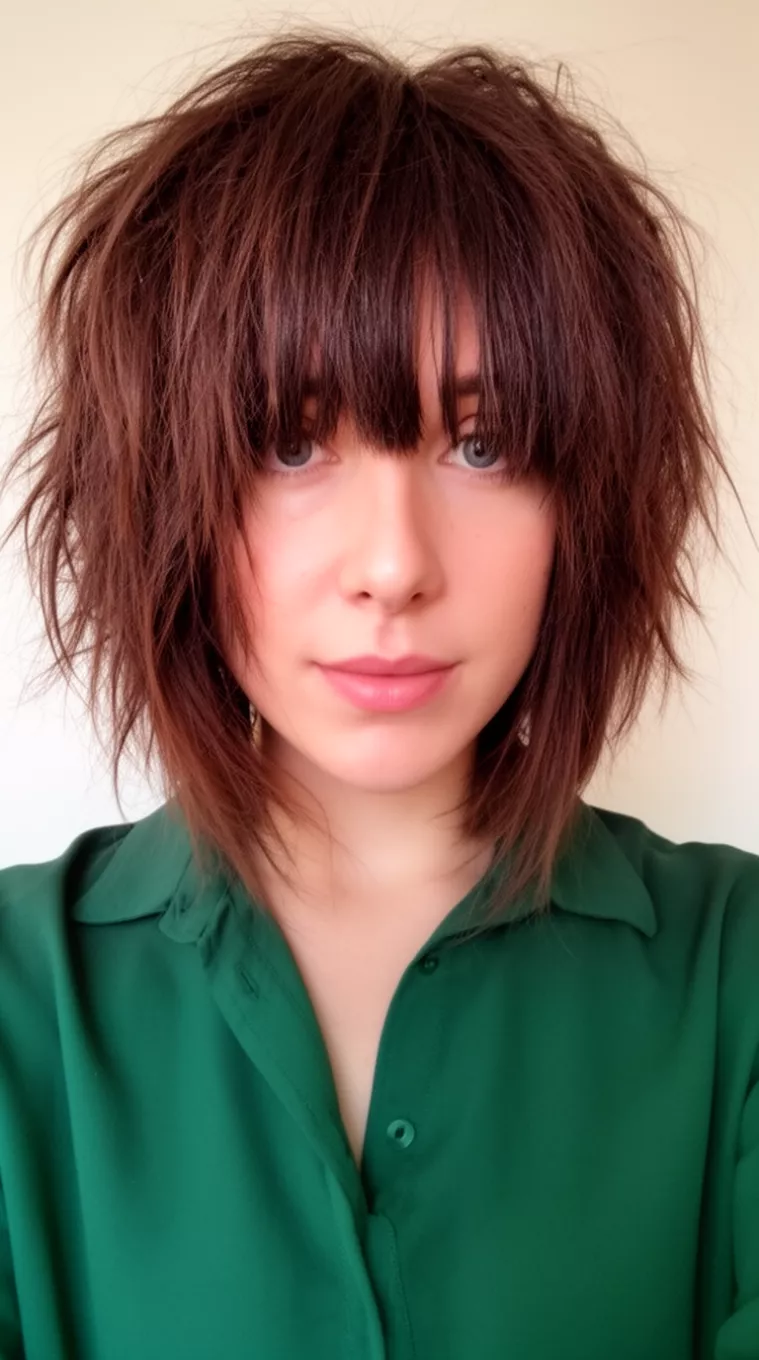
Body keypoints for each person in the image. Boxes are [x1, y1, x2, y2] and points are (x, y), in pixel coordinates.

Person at [0, 25, 756, 1360]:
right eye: (291, 443)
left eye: (484, 443)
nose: (395, 566)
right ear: (161, 490)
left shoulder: (735, 972)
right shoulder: (21, 993)